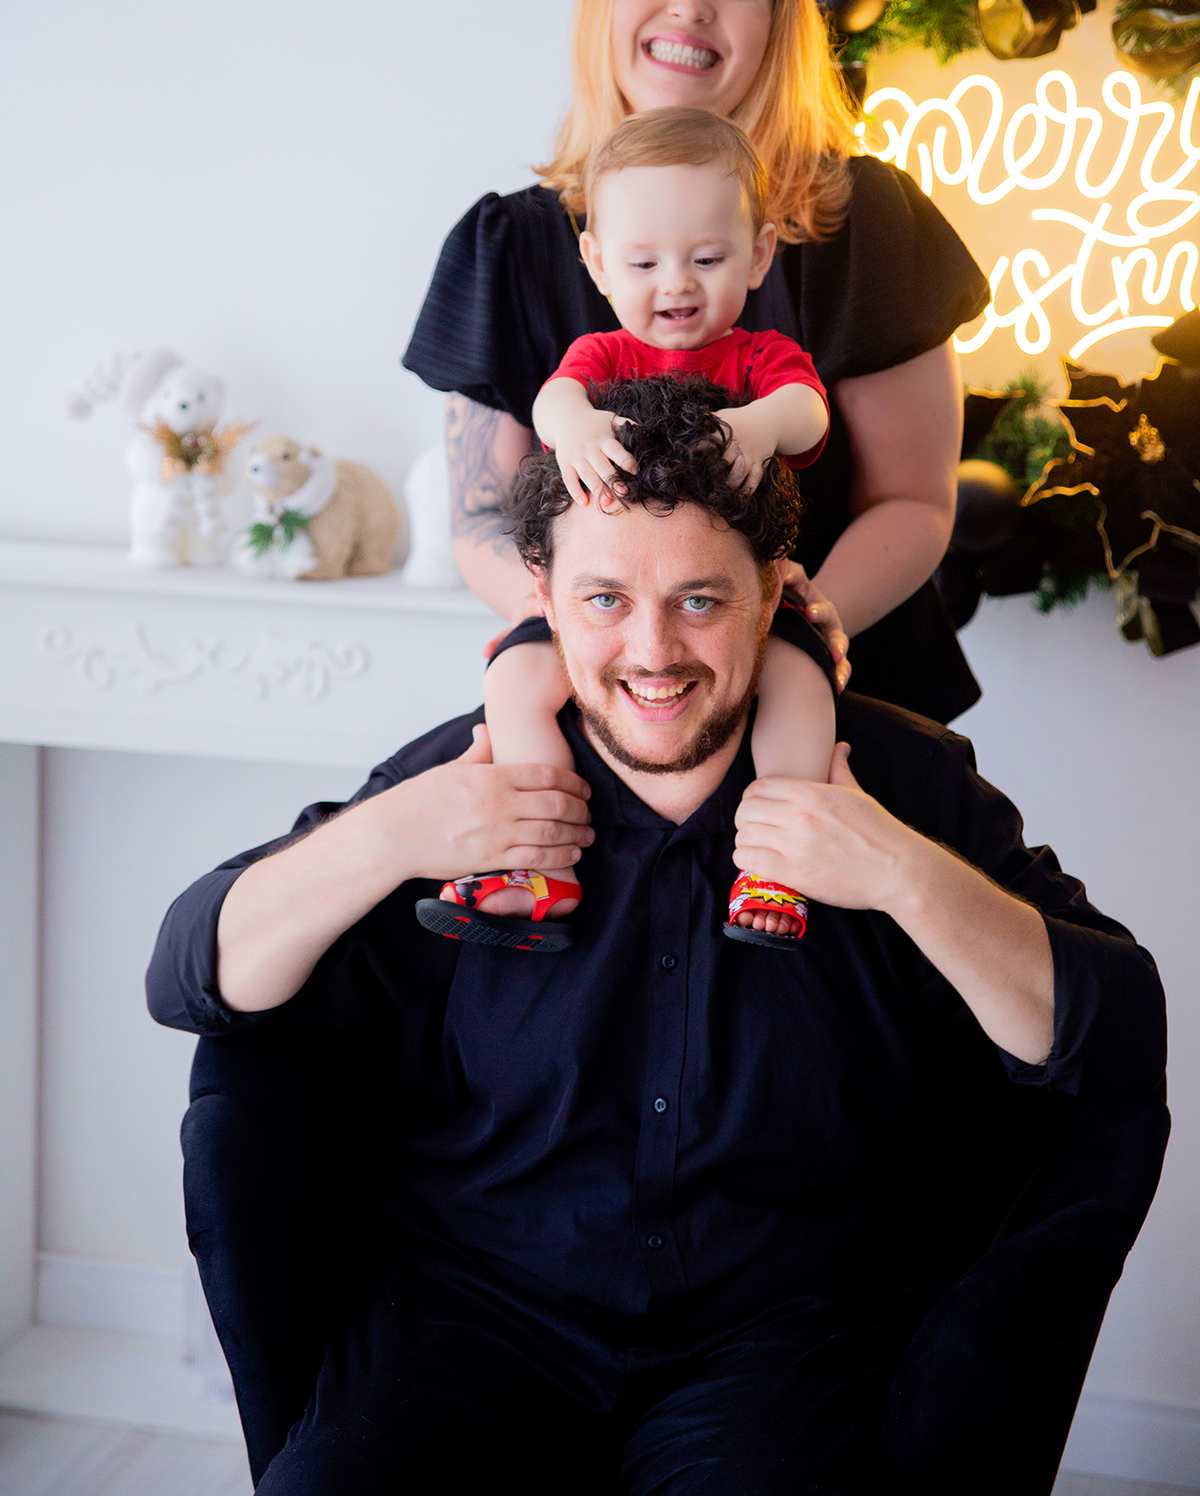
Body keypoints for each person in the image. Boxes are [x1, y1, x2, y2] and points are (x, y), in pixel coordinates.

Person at [148, 375, 1165, 1496]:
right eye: (603, 601)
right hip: (475, 1319)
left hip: (786, 1338)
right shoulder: (460, 778)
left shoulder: (900, 784)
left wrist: (899, 875)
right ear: (542, 595)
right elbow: (192, 977)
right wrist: (390, 838)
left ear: (774, 592)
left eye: (699, 601)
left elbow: (1115, 1038)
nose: (652, 654)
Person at [403, 0, 991, 723]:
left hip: (841, 684)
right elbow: (481, 517)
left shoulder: (865, 222)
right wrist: (606, 639)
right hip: (610, 699)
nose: (691, 4)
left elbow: (913, 500)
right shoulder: (512, 243)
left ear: (779, 25)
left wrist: (791, 623)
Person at [431, 107, 833, 949]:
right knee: (512, 685)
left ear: (758, 254)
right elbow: (553, 401)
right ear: (598, 264)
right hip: (604, 593)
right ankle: (537, 855)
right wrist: (570, 424)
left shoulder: (760, 359)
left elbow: (804, 412)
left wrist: (760, 427)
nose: (677, 284)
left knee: (802, 686)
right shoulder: (602, 356)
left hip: (732, 600)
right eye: (645, 262)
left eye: (708, 258)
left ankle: (779, 862)